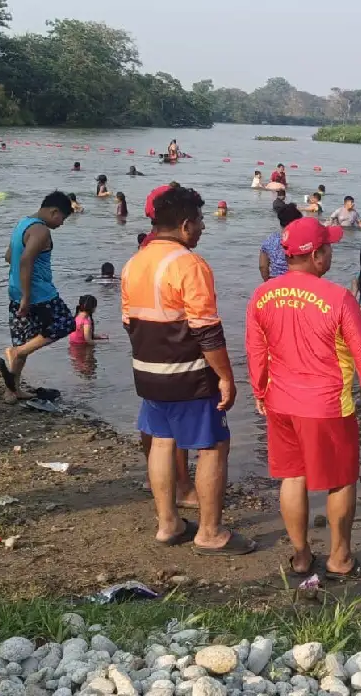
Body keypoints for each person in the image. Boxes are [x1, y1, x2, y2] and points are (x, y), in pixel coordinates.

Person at [245, 217, 361, 579]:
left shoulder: (263, 294)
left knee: (292, 477)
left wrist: (259, 389)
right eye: (329, 247)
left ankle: (301, 555)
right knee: (340, 479)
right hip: (327, 406)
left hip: (280, 402)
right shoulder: (337, 297)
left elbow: (255, 348)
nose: (332, 253)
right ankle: (339, 558)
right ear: (318, 256)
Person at [121, 185, 256, 556]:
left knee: (162, 441)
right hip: (189, 374)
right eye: (198, 222)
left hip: (147, 371)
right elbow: (207, 331)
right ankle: (210, 532)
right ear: (184, 225)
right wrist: (226, 377)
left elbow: (128, 322)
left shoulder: (134, 262)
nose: (202, 229)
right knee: (213, 446)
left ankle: (169, 524)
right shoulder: (189, 265)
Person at [0, 191, 76, 404]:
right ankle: (17, 352)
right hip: (39, 294)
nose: (61, 224)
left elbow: (9, 256)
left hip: (14, 290)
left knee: (24, 337)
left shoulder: (23, 223)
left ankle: (11, 390)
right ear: (54, 211)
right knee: (65, 324)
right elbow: (25, 260)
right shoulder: (41, 231)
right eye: (62, 219)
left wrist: (21, 292)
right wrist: (27, 296)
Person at [260, 203, 304, 281]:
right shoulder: (302, 240)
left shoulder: (270, 239)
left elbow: (263, 266)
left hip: (275, 282)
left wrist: (267, 282)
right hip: (297, 283)